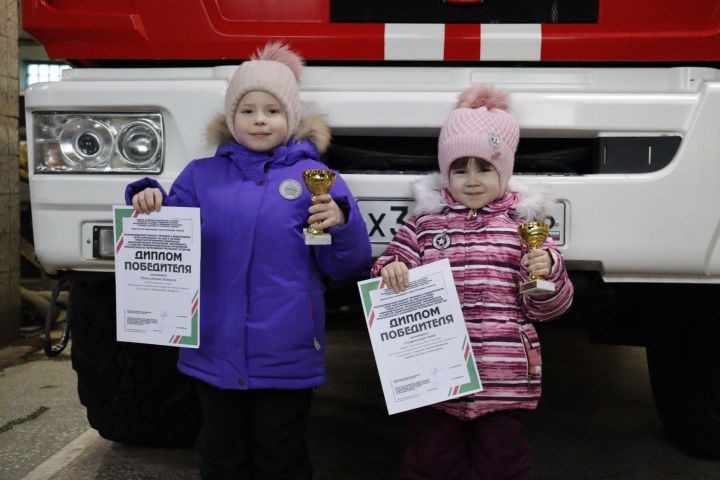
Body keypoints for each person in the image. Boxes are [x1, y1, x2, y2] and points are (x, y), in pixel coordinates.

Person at [126, 42, 371, 480]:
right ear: (231, 119)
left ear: (291, 119)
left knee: (282, 455)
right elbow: (168, 242)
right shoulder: (200, 177)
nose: (260, 119)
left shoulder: (319, 181)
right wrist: (148, 199)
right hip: (214, 350)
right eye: (248, 110)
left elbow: (347, 265)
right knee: (221, 456)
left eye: (272, 111)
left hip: (286, 351)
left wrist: (341, 223)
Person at [371, 85, 574, 480]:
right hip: (434, 383)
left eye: (484, 168)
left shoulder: (524, 230)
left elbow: (548, 308)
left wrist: (547, 270)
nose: (472, 179)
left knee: (503, 465)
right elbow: (392, 267)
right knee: (431, 462)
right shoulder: (424, 226)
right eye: (460, 169)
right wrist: (391, 270)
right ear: (446, 174)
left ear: (504, 172)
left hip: (505, 380)